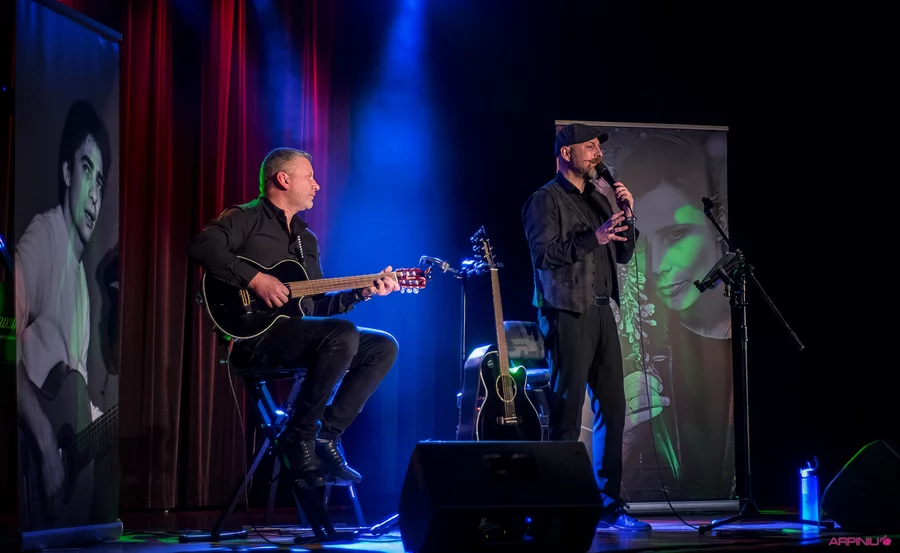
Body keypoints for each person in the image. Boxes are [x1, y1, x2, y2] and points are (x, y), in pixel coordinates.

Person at [187, 147, 400, 488]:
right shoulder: (247, 217)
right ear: (283, 179)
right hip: (253, 336)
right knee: (342, 333)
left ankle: (325, 435)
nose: (317, 185)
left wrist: (361, 293)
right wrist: (255, 279)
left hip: (298, 334)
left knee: (382, 346)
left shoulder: (306, 240)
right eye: (309, 177)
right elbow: (202, 245)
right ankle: (299, 437)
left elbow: (314, 310)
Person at [522, 123, 650, 530]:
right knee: (566, 407)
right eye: (590, 146)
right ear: (566, 153)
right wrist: (594, 237)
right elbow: (543, 255)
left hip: (601, 311)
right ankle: (557, 505)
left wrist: (627, 214)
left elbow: (624, 254)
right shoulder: (544, 199)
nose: (598, 153)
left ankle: (611, 504)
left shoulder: (599, 197)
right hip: (565, 311)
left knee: (613, 407)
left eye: (599, 147)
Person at [613, 131, 734, 501]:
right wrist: (623, 432)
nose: (655, 266)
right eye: (643, 243)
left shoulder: (743, 338)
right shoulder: (637, 348)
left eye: (676, 236)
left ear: (718, 225)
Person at [15, 99, 112, 526]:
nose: (94, 195)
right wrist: (41, 434)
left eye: (101, 182)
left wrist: (112, 425)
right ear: (67, 173)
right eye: (87, 170)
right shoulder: (44, 239)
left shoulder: (83, 284)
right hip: (24, 465)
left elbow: (75, 393)